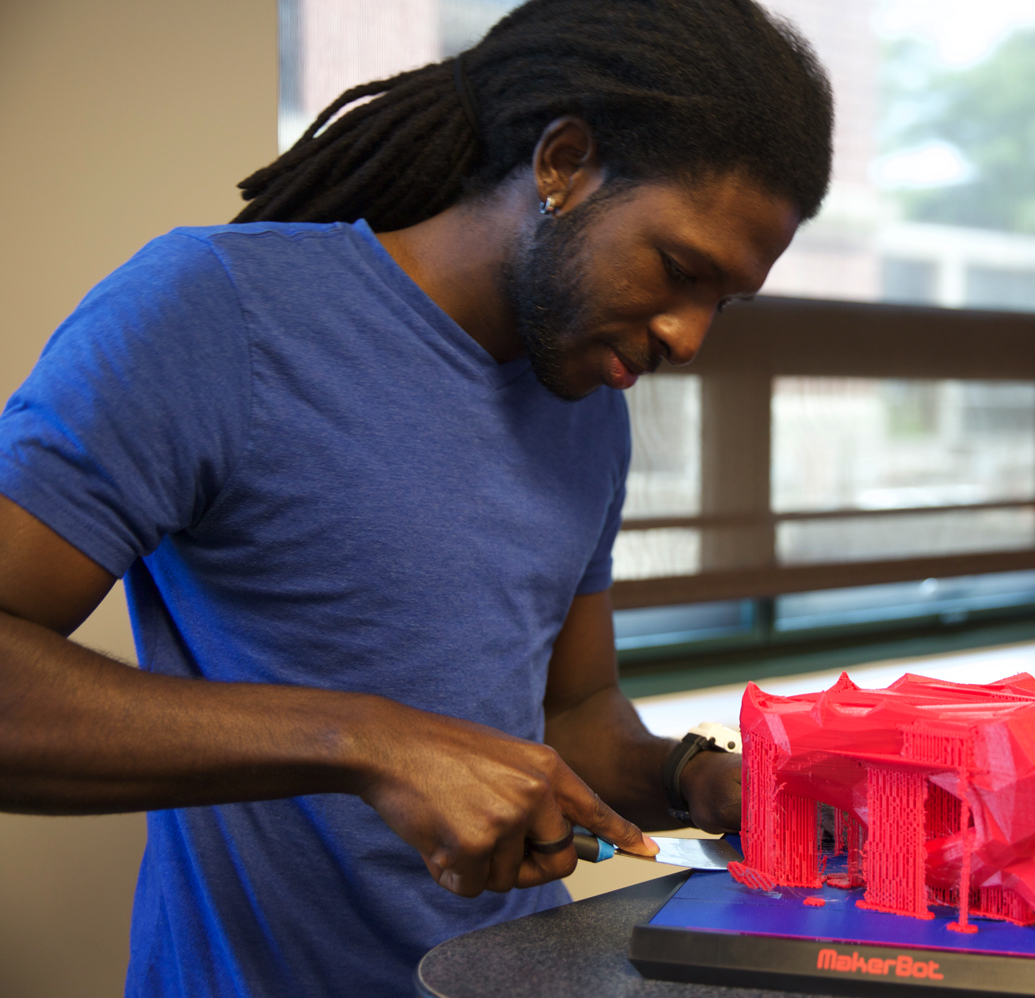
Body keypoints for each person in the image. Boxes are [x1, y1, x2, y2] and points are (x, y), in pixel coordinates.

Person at [0, 0, 833, 994]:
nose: (689, 338)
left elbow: (572, 712)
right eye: (678, 269)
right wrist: (365, 740)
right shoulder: (215, 311)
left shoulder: (587, 402)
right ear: (563, 162)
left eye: (722, 302)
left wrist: (695, 777)